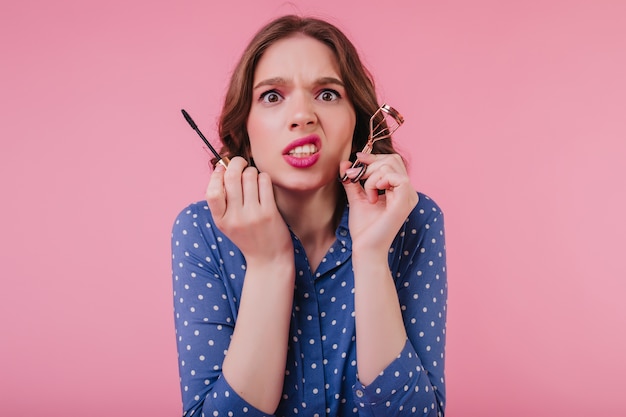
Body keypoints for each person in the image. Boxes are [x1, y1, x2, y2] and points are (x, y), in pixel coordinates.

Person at [171, 15, 447, 417]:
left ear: (358, 120)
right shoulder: (201, 231)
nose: (302, 115)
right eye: (272, 96)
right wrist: (269, 265)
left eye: (328, 94)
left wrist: (371, 257)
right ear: (245, 128)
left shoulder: (413, 219)